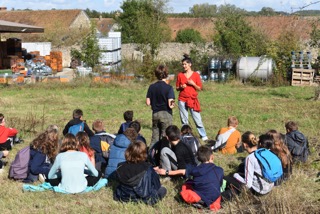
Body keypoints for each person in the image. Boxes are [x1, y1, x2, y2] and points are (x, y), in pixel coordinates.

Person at [221, 131, 274, 201]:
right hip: (269, 186)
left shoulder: (250, 158)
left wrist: (236, 176)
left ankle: (219, 197)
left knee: (227, 178)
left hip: (259, 190)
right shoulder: (263, 152)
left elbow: (247, 184)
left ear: (245, 145)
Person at [115, 141, 167, 205]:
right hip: (143, 198)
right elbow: (157, 185)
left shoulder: (120, 166)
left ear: (128, 152)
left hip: (123, 197)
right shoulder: (148, 167)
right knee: (163, 189)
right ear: (144, 154)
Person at [180, 146, 224, 211]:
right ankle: (211, 205)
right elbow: (220, 184)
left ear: (198, 159)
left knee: (185, 185)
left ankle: (199, 202)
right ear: (212, 157)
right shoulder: (220, 170)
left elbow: (187, 173)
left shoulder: (195, 170)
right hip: (215, 197)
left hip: (200, 195)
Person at [176, 54, 208, 142]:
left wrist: (193, 84)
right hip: (182, 99)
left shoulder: (196, 75)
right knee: (184, 119)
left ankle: (203, 135)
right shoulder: (180, 75)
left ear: (190, 64)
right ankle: (186, 135)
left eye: (185, 64)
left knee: (197, 118)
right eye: (183, 64)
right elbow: (177, 88)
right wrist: (181, 87)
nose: (184, 66)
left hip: (192, 99)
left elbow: (200, 88)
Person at [146, 65, 175, 147]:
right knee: (165, 138)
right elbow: (170, 105)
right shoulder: (169, 88)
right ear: (166, 74)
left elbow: (148, 102)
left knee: (154, 138)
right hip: (166, 114)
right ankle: (163, 156)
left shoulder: (151, 87)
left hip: (155, 114)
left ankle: (151, 156)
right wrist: (173, 102)